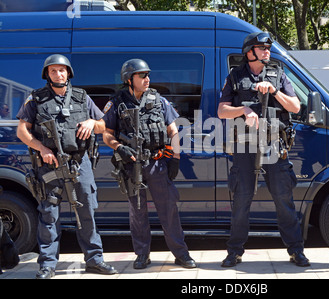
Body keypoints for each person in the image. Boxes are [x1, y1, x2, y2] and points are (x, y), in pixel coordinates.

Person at [16, 54, 117, 279]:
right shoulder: (36, 98)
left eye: (62, 70)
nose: (58, 74)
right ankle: (48, 265)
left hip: (79, 162)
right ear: (47, 74)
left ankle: (94, 260)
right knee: (49, 215)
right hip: (49, 165)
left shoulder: (82, 97)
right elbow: (22, 130)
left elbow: (103, 125)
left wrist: (93, 123)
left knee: (87, 212)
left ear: (68, 73)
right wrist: (41, 148)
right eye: (53, 71)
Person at [217, 32, 310, 267]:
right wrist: (242, 111)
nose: (267, 50)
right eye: (262, 47)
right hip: (245, 146)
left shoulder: (278, 75)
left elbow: (296, 107)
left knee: (283, 200)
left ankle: (296, 251)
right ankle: (234, 252)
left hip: (273, 145)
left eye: (268, 47)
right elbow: (221, 111)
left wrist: (275, 91)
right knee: (241, 201)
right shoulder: (235, 77)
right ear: (249, 52)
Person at [102, 59, 196, 269]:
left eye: (148, 75)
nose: (147, 79)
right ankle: (142, 254)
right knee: (137, 213)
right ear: (129, 79)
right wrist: (119, 147)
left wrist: (175, 158)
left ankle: (181, 254)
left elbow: (173, 131)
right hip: (131, 165)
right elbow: (107, 135)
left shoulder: (158, 100)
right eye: (142, 76)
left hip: (157, 163)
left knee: (169, 210)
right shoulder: (117, 102)